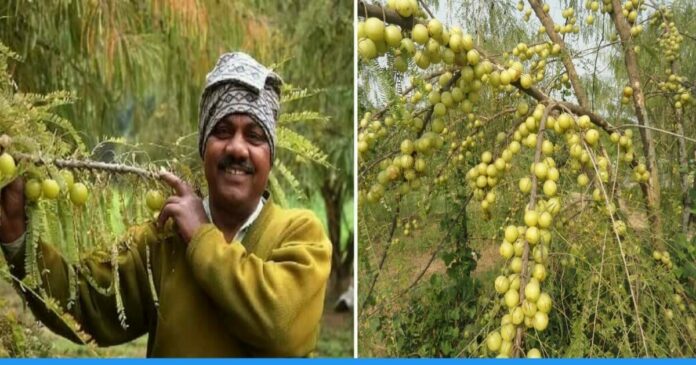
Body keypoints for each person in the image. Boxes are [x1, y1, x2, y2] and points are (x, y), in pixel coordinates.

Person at [0, 52, 332, 357]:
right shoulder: (162, 239)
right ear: (205, 147)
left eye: (255, 136)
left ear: (270, 155)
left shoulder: (301, 234)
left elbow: (281, 327)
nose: (237, 148)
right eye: (222, 131)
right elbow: (86, 304)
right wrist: (16, 235)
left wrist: (201, 234)